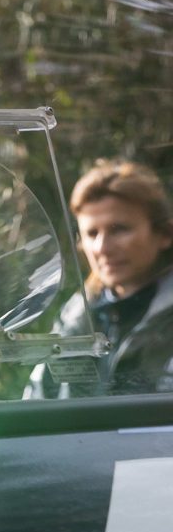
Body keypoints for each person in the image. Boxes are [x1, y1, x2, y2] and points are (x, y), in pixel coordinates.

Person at [29, 160, 173, 398]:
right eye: (91, 233)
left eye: (119, 229)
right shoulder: (76, 316)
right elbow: (38, 400)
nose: (102, 247)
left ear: (165, 234)